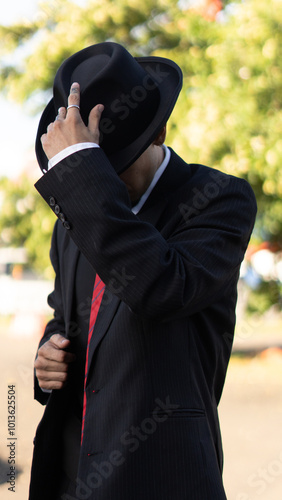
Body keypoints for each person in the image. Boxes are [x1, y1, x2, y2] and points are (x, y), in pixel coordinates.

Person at [29, 42, 257, 500]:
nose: (102, 181)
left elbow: (161, 286)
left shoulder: (217, 199)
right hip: (69, 476)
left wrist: (82, 171)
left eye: (111, 164)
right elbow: (68, 317)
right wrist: (48, 356)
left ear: (159, 133)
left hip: (162, 475)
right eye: (92, 167)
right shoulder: (74, 218)